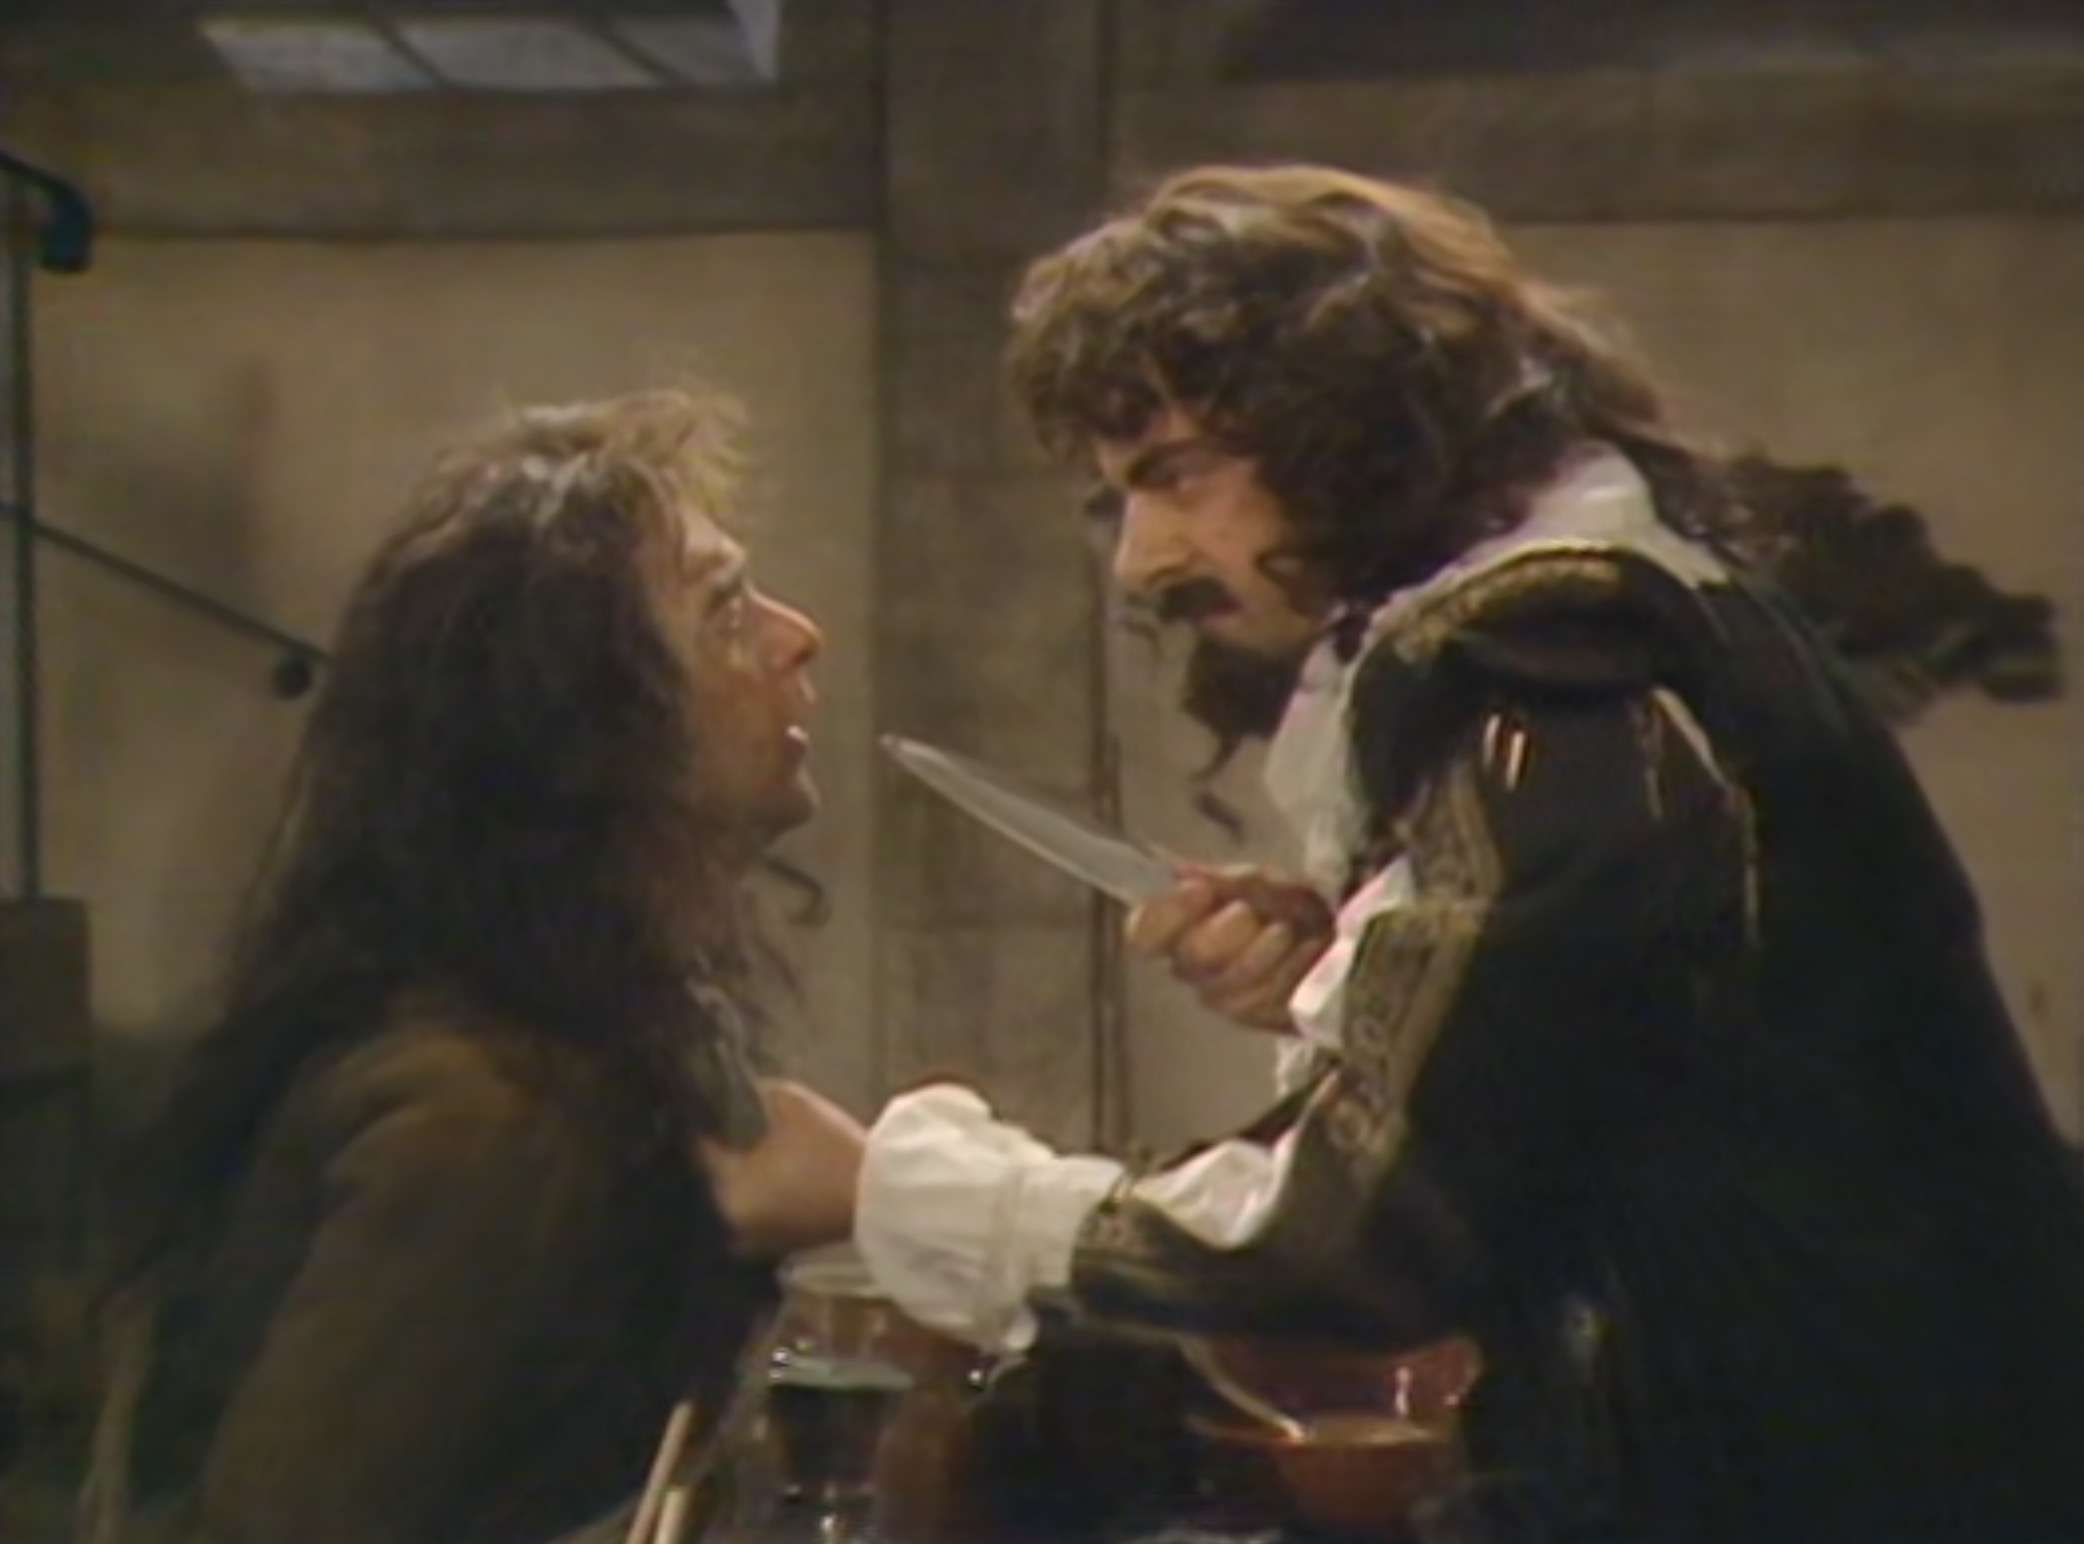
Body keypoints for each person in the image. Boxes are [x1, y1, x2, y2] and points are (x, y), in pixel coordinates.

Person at [854, 166, 2084, 1542]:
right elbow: (1624, 1053)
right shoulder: (1633, 621)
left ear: (1342, 421)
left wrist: (898, 1189)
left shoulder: (1558, 669)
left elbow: (1361, 1242)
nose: (1141, 560)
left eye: (1176, 473)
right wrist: (1362, 968)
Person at [81, 387, 866, 1544]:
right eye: (724, 609)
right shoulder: (492, 1113)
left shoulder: (580, 1038)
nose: (797, 634)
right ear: (588, 723)